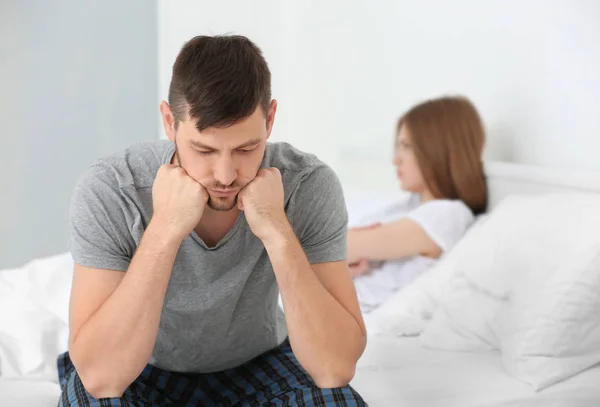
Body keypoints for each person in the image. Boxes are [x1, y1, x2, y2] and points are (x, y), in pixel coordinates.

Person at [57, 35, 367, 406]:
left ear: (269, 120)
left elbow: (333, 368)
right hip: (138, 368)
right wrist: (165, 228)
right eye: (203, 149)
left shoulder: (307, 184)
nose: (224, 174)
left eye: (246, 149)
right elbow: (101, 376)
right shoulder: (111, 188)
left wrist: (277, 230)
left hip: (259, 362)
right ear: (170, 122)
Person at [346, 96, 488, 314]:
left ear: (437, 149)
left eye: (406, 146)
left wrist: (344, 252)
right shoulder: (408, 205)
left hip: (339, 317)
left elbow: (336, 246)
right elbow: (336, 247)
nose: (396, 159)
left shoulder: (448, 214)